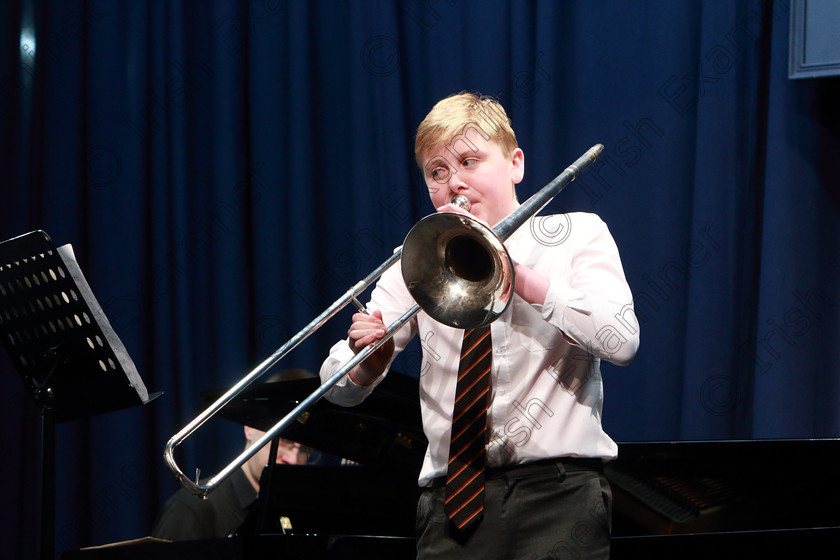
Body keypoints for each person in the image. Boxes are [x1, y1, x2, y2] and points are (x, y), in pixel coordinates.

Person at [320, 92, 639, 559]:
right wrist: (368, 363)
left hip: (561, 498)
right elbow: (334, 387)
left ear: (515, 163)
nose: (455, 184)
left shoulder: (578, 234)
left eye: (470, 161)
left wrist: (523, 278)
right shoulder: (418, 261)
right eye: (437, 172)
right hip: (451, 506)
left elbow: (623, 340)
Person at [151, 373, 316, 541]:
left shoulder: (305, 513)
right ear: (250, 428)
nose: (293, 459)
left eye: (305, 450)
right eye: (284, 442)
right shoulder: (192, 510)